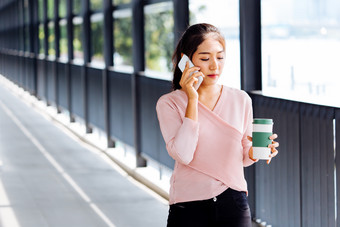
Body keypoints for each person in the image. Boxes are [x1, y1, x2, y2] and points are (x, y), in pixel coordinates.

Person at [156, 23, 279, 227]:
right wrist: (192, 100)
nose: (215, 66)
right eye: (205, 58)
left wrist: (258, 151)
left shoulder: (241, 99)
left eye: (220, 57)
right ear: (186, 61)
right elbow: (184, 154)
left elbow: (244, 155)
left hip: (233, 202)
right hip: (188, 206)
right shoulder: (169, 103)